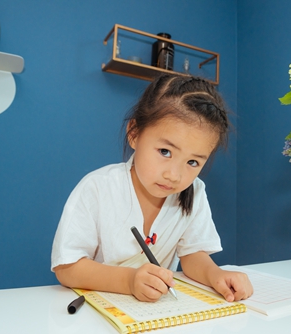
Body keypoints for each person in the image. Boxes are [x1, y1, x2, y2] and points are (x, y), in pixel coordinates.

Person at [51, 74, 253, 303]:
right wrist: (128, 281)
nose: (174, 175)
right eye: (165, 152)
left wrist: (215, 275)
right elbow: (67, 268)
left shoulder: (194, 191)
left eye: (193, 162)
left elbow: (192, 255)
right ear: (134, 133)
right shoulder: (97, 187)